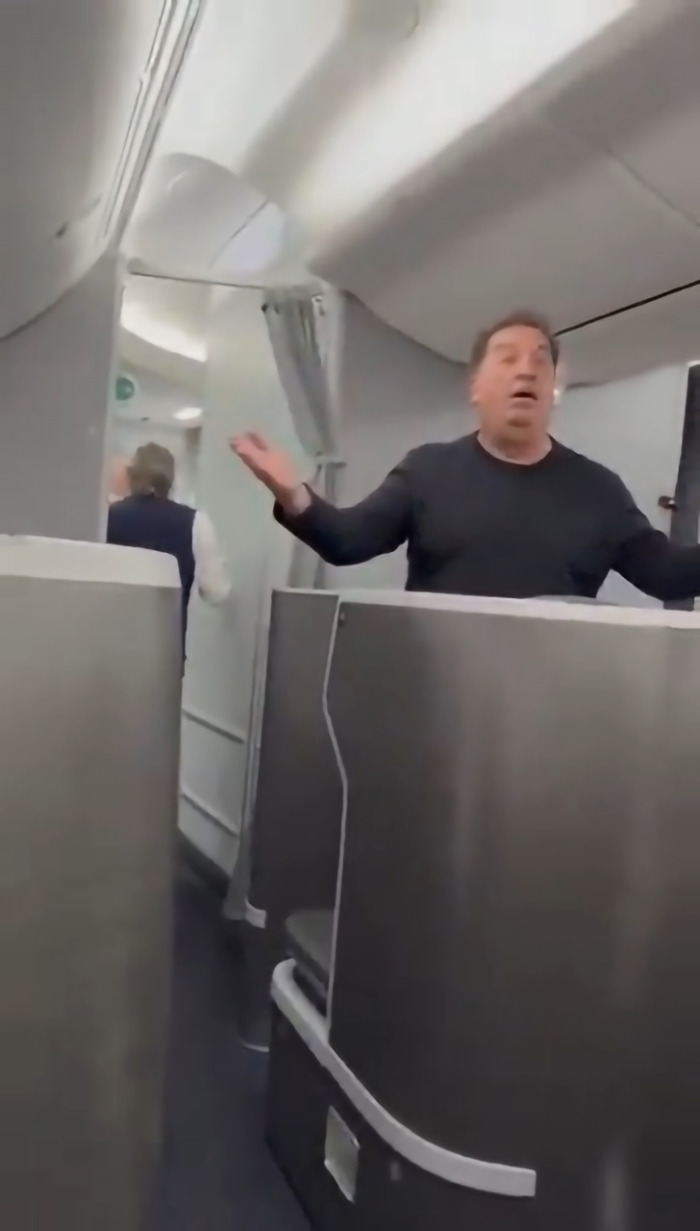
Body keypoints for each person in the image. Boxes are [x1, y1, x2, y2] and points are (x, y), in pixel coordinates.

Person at [230, 310, 700, 603]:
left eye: (540, 361)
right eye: (508, 358)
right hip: (437, 699)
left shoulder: (598, 491)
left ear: (553, 389)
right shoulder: (428, 471)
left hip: (550, 703)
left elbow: (668, 576)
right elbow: (347, 542)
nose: (526, 370)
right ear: (476, 386)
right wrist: (295, 495)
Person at [107, 442, 229, 648]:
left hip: (110, 646)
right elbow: (216, 592)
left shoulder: (107, 516)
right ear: (171, 480)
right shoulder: (196, 522)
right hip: (165, 654)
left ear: (131, 476)